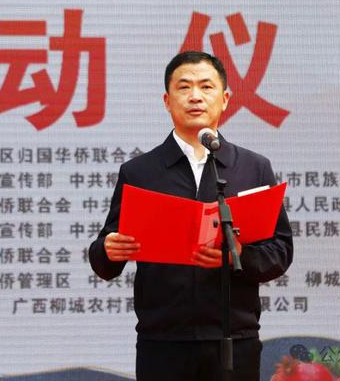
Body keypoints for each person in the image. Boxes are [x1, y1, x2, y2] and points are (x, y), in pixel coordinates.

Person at [89, 51, 293, 381]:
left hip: (234, 341)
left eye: (206, 87)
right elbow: (104, 259)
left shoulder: (253, 168)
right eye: (184, 87)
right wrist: (108, 249)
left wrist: (238, 255)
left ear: (225, 100)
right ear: (167, 101)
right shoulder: (140, 172)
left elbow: (281, 251)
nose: (195, 96)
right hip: (163, 345)